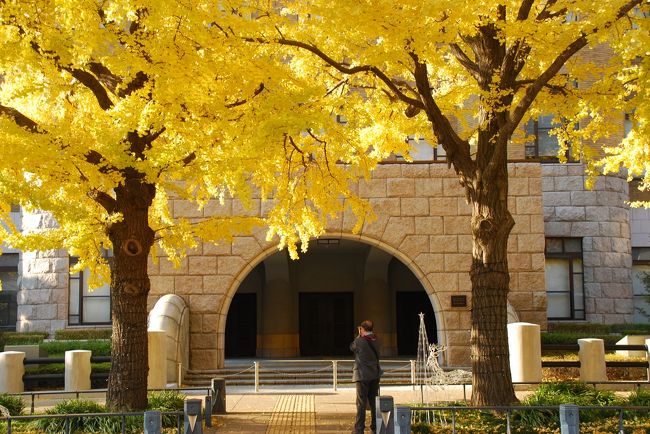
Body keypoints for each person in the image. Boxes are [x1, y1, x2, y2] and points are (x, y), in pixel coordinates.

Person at [350, 319, 382, 434]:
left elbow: (352, 347)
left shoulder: (360, 341)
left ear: (362, 329)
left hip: (362, 375)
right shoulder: (377, 339)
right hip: (374, 374)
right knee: (374, 402)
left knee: (361, 403)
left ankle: (359, 429)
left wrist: (359, 336)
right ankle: (375, 428)